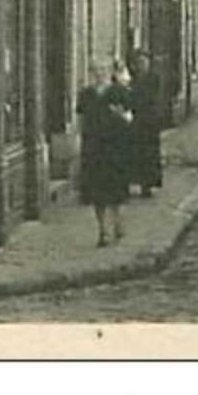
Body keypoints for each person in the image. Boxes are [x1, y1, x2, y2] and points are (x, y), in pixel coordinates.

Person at [77, 59, 133, 247]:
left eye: (103, 70)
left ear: (110, 72)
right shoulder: (86, 95)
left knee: (117, 190)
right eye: (96, 70)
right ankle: (103, 231)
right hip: (94, 148)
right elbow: (81, 119)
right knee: (97, 192)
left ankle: (118, 223)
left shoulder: (119, 92)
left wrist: (121, 115)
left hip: (116, 147)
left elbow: (130, 117)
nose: (100, 74)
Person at [127, 50, 166, 197]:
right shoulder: (133, 79)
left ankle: (147, 185)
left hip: (149, 121)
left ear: (148, 64)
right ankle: (135, 182)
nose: (141, 66)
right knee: (135, 153)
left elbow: (149, 97)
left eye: (144, 63)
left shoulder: (153, 79)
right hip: (136, 122)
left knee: (149, 155)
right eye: (139, 63)